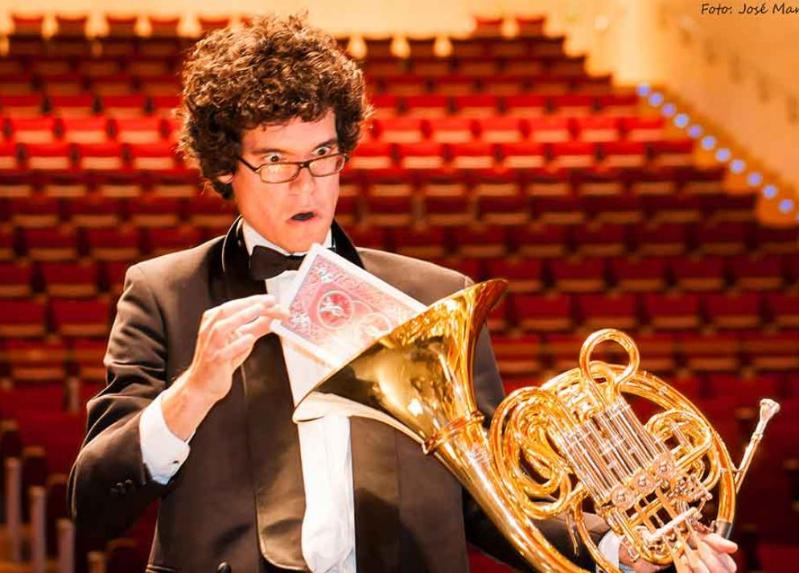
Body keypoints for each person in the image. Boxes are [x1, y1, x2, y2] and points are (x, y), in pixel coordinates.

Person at [68, 13, 738, 573]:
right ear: (224, 167)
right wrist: (191, 393)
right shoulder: (163, 293)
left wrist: (619, 547)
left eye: (322, 155)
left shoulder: (437, 296)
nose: (307, 184)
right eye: (275, 161)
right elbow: (94, 503)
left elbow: (491, 498)